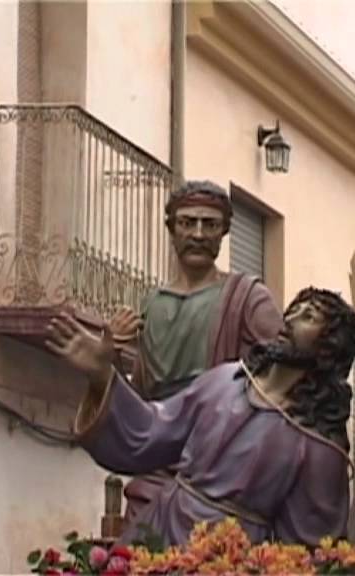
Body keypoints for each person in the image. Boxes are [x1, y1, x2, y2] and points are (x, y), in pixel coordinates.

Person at [48, 287, 355, 546]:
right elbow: (152, 430)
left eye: (309, 316)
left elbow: (311, 550)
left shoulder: (317, 443)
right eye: (294, 309)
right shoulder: (227, 380)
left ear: (329, 348)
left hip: (227, 558)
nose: (289, 319)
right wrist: (102, 376)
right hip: (157, 535)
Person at [105, 179, 284, 525]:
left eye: (210, 224)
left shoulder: (248, 298)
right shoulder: (152, 306)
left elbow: (283, 373)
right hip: (158, 466)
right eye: (187, 222)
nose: (198, 234)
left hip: (221, 464)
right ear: (171, 230)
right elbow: (140, 401)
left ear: (224, 232)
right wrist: (109, 354)